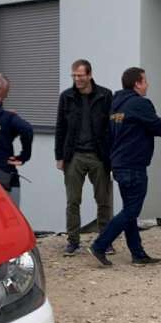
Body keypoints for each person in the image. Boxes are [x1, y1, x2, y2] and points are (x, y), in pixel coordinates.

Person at [90, 68, 161, 267]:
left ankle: (138, 254)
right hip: (133, 165)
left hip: (119, 164)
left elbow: (107, 134)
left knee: (129, 210)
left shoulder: (115, 104)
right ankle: (100, 245)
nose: (148, 84)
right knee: (131, 211)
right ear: (137, 83)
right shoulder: (140, 103)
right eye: (145, 81)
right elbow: (157, 127)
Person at [54, 59, 114, 256]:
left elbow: (111, 127)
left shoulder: (105, 96)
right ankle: (73, 241)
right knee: (73, 201)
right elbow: (60, 128)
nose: (77, 79)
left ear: (89, 75)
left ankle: (105, 240)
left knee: (104, 200)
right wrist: (59, 156)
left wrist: (111, 154)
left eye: (80, 75)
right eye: (74, 75)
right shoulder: (67, 97)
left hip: (99, 155)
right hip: (74, 155)